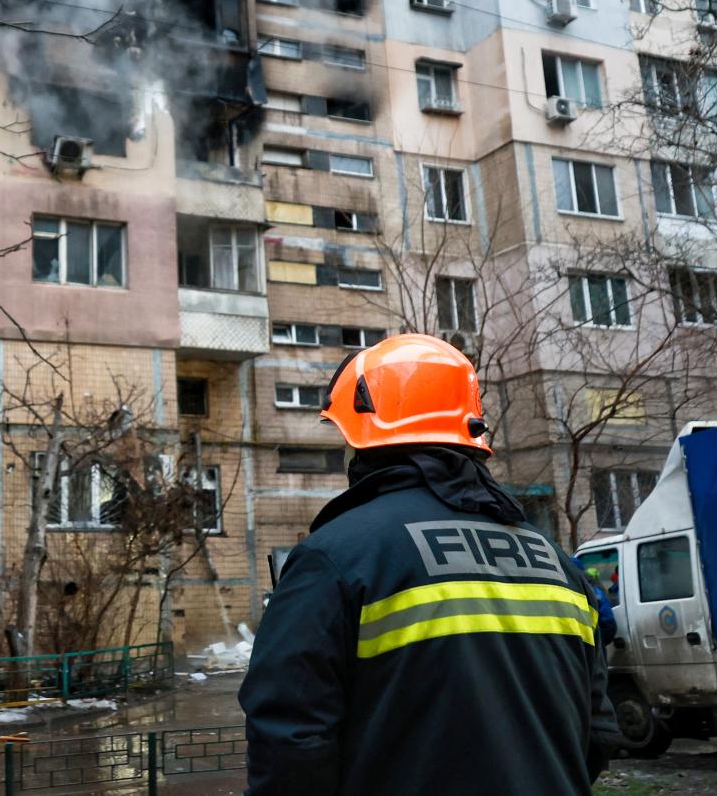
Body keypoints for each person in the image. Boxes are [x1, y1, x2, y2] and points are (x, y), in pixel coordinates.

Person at [240, 334, 619, 795]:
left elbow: (290, 751)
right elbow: (597, 736)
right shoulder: (559, 565)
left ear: (362, 440)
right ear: (471, 432)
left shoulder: (334, 559)